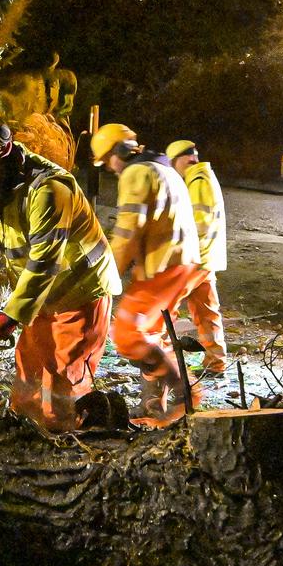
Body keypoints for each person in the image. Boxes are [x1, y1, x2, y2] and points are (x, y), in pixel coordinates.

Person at [0, 125, 118, 432]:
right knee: (28, 378)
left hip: (81, 295)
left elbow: (44, 262)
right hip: (42, 300)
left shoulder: (49, 192)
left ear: (2, 167)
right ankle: (26, 437)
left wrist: (10, 316)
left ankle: (75, 447)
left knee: (62, 382)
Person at [89, 123, 202, 428]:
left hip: (163, 266)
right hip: (181, 262)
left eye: (107, 161)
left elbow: (128, 230)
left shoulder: (135, 174)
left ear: (119, 152)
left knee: (126, 334)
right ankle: (155, 408)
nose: (110, 169)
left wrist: (106, 272)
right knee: (151, 332)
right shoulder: (163, 169)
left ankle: (186, 394)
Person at [165, 139, 227, 383]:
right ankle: (216, 361)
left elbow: (195, 225)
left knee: (165, 307)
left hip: (194, 258)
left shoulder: (197, 180)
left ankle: (162, 358)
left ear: (181, 160)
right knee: (206, 311)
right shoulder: (204, 177)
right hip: (205, 257)